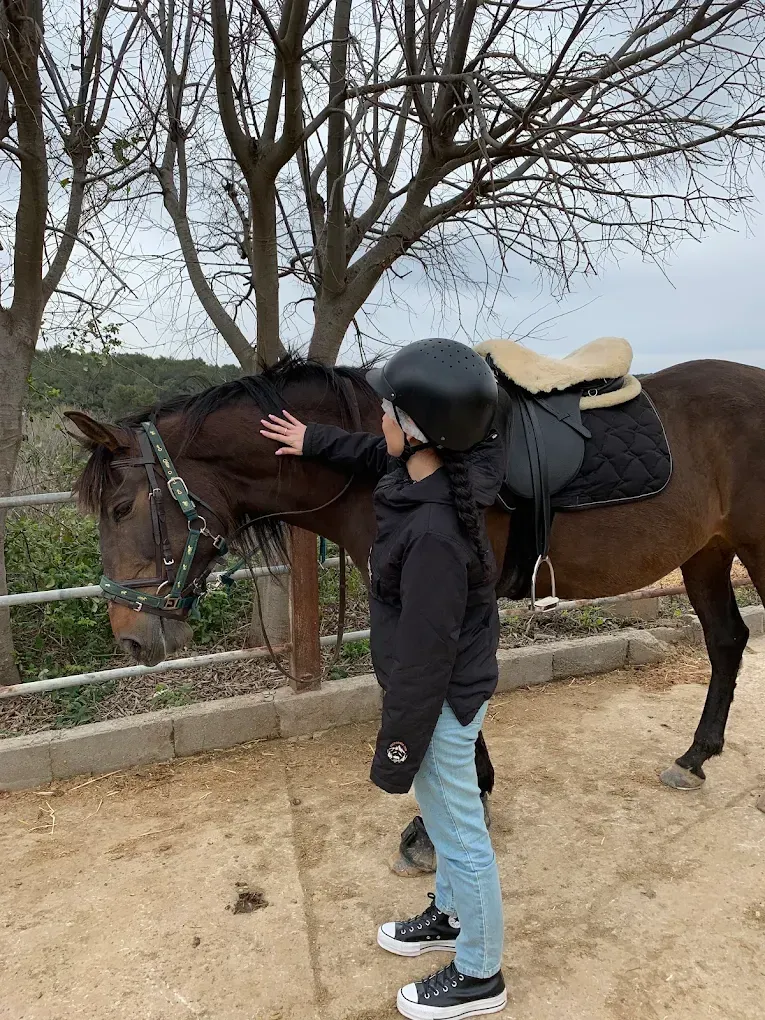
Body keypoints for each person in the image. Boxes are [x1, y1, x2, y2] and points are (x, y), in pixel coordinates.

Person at [261, 338, 507, 1020]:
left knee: (460, 834)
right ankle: (452, 918)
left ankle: (480, 974)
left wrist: (399, 742)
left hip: (436, 703)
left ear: (418, 430)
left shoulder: (431, 532)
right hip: (445, 692)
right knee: (444, 816)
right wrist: (315, 439)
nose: (379, 423)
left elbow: (427, 654)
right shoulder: (430, 476)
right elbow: (377, 455)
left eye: (387, 412)